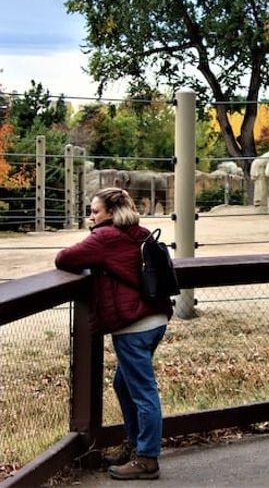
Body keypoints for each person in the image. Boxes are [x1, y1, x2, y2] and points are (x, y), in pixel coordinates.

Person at [55, 187, 172, 480]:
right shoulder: (139, 231)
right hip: (155, 318)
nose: (91, 217)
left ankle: (147, 459)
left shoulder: (105, 237)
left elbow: (65, 258)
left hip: (133, 325)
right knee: (124, 384)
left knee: (143, 391)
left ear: (110, 212)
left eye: (95, 211)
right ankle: (136, 445)